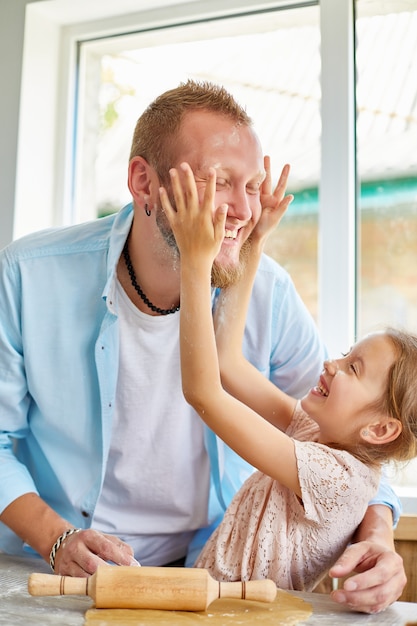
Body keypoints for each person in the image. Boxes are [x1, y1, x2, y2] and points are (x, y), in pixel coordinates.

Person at [0, 80, 405, 613]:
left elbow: (353, 446)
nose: (243, 209)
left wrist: (378, 535)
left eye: (254, 185)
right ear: (142, 182)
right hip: (59, 571)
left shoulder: (269, 294)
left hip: (210, 583)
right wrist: (56, 539)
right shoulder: (28, 275)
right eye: (219, 182)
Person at [161, 159, 417, 599]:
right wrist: (254, 241)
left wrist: (196, 262)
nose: (331, 365)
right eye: (344, 355)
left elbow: (203, 392)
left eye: (353, 368)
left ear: (379, 429)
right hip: (208, 609)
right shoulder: (315, 433)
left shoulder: (336, 478)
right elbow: (227, 363)